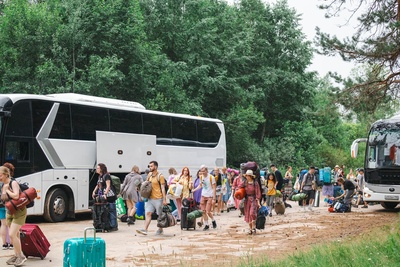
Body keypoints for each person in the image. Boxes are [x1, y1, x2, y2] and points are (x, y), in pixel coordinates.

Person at [0, 166, 27, 266]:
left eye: (0, 175)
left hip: (19, 211)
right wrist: (4, 190)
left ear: (6, 174)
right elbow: (3, 199)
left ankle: (21, 256)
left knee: (11, 234)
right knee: (15, 235)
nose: (0, 177)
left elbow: (16, 196)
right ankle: (16, 255)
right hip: (9, 211)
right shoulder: (4, 184)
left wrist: (7, 190)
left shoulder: (13, 182)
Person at [136, 161, 167, 236]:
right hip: (149, 198)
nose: (150, 167)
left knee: (159, 215)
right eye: (149, 166)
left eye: (151, 166)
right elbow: (146, 183)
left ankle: (160, 229)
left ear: (155, 167)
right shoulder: (149, 174)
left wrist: (164, 199)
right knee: (148, 213)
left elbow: (163, 188)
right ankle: (145, 229)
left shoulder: (160, 176)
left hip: (158, 198)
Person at [92, 163, 118, 231]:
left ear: (101, 169)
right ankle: (106, 224)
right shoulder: (100, 177)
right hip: (103, 194)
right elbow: (98, 185)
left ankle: (113, 225)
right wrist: (94, 192)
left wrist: (105, 194)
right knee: (105, 210)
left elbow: (108, 185)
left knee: (111, 210)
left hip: (110, 195)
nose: (96, 169)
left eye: (98, 168)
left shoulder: (106, 176)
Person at [192, 165, 217, 231]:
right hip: (203, 195)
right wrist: (194, 190)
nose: (202, 173)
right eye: (201, 171)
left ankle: (213, 220)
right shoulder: (201, 177)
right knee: (203, 211)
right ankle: (206, 225)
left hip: (210, 195)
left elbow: (214, 188)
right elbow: (201, 185)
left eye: (203, 171)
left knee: (208, 211)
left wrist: (214, 198)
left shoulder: (211, 177)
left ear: (206, 171)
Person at [242, 170, 261, 235]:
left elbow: (257, 192)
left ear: (251, 176)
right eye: (246, 175)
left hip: (253, 200)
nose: (247, 177)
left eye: (248, 175)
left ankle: (253, 228)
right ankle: (250, 229)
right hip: (247, 200)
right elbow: (239, 187)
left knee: (252, 213)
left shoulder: (255, 183)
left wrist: (258, 202)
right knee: (248, 214)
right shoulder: (245, 183)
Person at [1, 162, 14, 250]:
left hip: (0, 205)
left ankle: (4, 244)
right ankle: (12, 244)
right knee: (10, 224)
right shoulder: (11, 181)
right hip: (8, 205)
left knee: (3, 224)